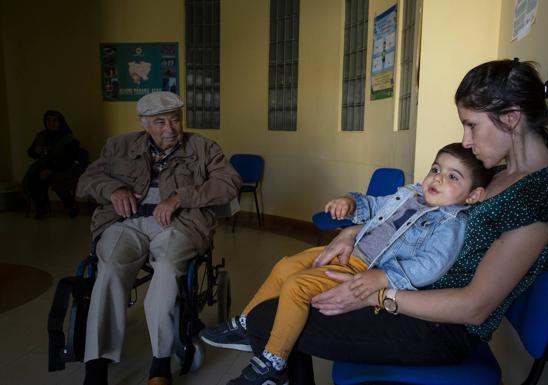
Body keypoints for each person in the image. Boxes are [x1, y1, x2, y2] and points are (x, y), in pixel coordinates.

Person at [242, 59, 548, 384]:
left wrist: (377, 296)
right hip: (410, 289)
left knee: (266, 318)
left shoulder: (538, 197)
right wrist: (353, 232)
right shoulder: (497, 176)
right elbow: (419, 215)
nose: (466, 142)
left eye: (471, 125)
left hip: (439, 328)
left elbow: (475, 308)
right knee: (285, 294)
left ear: (512, 117)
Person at [201, 143, 494, 384]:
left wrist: (383, 277)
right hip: (352, 252)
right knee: (285, 265)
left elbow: (432, 265)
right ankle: (245, 322)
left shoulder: (451, 223)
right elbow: (377, 206)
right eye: (436, 169)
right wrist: (351, 203)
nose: (438, 178)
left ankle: (274, 362)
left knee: (296, 286)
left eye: (453, 177)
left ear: (473, 195)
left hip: (365, 269)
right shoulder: (411, 194)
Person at [76, 91, 241, 385]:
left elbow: (228, 183)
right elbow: (88, 180)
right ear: (144, 123)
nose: (169, 128)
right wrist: (114, 190)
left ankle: (160, 362)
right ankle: (96, 364)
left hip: (180, 223)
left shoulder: (203, 147)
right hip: (125, 222)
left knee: (165, 269)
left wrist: (181, 197)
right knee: (110, 269)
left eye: (175, 120)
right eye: (159, 122)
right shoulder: (119, 145)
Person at [23, 110, 81, 218]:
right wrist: (36, 151)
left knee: (58, 180)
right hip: (44, 165)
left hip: (65, 167)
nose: (51, 123)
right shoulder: (41, 135)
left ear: (60, 122)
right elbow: (31, 153)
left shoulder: (68, 138)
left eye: (54, 120)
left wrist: (51, 170)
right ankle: (41, 207)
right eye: (48, 120)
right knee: (32, 177)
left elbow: (69, 160)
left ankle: (70, 205)